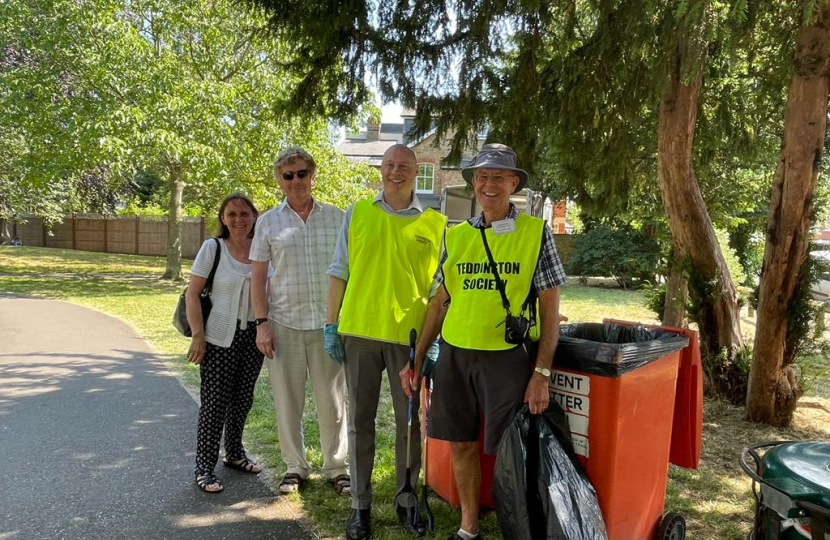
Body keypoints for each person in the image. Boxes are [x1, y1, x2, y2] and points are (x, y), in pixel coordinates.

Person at [404, 143, 567, 540]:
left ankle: (521, 527)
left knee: (511, 450)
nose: (489, 184)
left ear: (513, 183)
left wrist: (541, 372)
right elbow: (439, 301)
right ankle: (469, 528)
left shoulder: (534, 233)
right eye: (482, 176)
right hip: (457, 354)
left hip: (506, 357)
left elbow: (550, 311)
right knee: (460, 443)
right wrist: (419, 357)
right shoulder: (457, 236)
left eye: (498, 176)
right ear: (473, 182)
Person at [325, 144, 446, 540]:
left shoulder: (435, 224)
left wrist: (431, 344)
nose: (396, 172)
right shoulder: (358, 213)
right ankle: (359, 507)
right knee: (359, 423)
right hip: (359, 331)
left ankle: (407, 499)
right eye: (390, 165)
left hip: (408, 342)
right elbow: (339, 271)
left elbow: (438, 290)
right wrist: (331, 324)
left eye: (405, 167)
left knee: (409, 424)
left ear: (416, 172)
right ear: (381, 169)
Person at [249, 147, 350, 495]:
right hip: (283, 323)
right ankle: (295, 467)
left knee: (332, 401)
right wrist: (262, 323)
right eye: (288, 175)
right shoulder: (267, 223)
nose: (295, 181)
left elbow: (350, 273)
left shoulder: (338, 218)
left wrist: (342, 322)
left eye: (302, 173)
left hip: (328, 325)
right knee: (287, 400)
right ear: (279, 180)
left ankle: (337, 467)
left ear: (313, 175)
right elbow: (258, 277)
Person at [186, 192, 265, 494]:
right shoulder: (213, 248)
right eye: (231, 214)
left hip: (252, 337)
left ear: (254, 217)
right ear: (223, 218)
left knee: (243, 399)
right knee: (214, 404)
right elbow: (192, 293)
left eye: (244, 213)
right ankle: (204, 467)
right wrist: (198, 336)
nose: (238, 220)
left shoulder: (261, 248)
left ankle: (234, 454)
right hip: (218, 338)